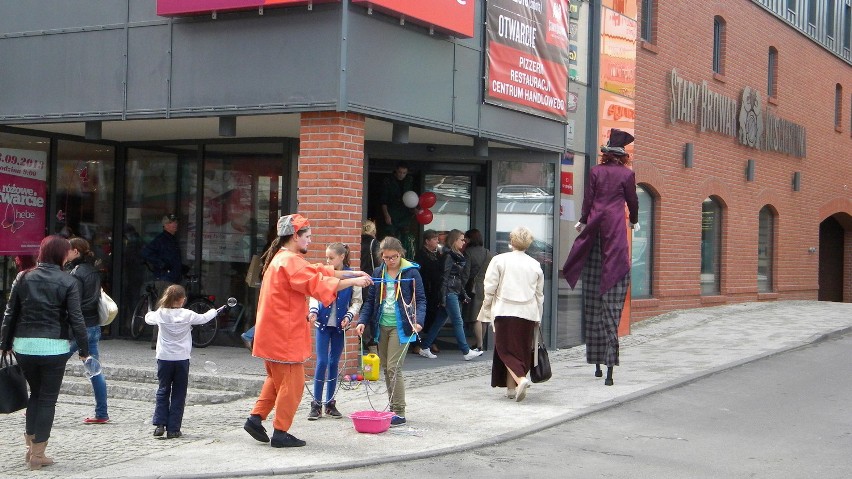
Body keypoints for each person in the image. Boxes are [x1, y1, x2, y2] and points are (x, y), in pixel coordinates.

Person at [242, 214, 372, 448]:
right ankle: (280, 432)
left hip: (272, 335)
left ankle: (255, 418)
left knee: (276, 380)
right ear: (295, 236)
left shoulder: (281, 258)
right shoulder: (290, 262)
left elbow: (319, 272)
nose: (311, 241)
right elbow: (320, 283)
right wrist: (354, 281)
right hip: (284, 337)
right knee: (292, 385)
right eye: (308, 236)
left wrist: (353, 274)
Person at [0, 235, 90, 470]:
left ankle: (30, 448)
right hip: (55, 347)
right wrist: (84, 349)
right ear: (61, 255)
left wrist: (4, 343)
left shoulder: (23, 276)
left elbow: (11, 313)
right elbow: (76, 318)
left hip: (24, 346)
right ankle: (38, 454)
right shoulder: (68, 281)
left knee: (35, 396)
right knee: (47, 399)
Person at [562, 129, 639, 386]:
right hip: (615, 228)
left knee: (594, 296)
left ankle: (596, 363)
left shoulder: (595, 172)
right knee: (612, 282)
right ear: (623, 156)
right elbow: (632, 202)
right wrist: (635, 222)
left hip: (595, 225)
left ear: (606, 154)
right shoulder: (627, 175)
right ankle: (608, 368)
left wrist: (584, 220)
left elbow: (588, 200)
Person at [355, 236, 426, 427]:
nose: (390, 261)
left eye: (393, 257)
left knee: (394, 367)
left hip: (401, 325)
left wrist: (418, 321)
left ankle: (399, 411)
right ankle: (393, 407)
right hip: (381, 325)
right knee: (386, 368)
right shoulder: (379, 271)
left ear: (400, 254)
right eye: (386, 258)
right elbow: (370, 301)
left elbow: (420, 298)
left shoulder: (411, 271)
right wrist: (362, 321)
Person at [145, 284, 221, 439]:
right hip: (181, 359)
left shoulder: (161, 313)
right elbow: (204, 318)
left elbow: (148, 319)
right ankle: (173, 429)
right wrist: (216, 311)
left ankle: (160, 424)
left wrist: (149, 312)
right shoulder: (188, 315)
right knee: (179, 393)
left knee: (163, 389)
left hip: (164, 357)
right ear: (182, 299)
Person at [477, 226, 544, 403]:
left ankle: (520, 380)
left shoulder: (500, 260)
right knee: (519, 349)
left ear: (511, 241)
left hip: (505, 311)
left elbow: (490, 287)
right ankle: (510, 389)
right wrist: (539, 315)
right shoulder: (534, 264)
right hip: (528, 312)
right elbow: (539, 294)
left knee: (505, 349)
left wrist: (486, 307)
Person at [307, 242, 363, 420]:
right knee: (322, 362)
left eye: (331, 258)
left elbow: (357, 301)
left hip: (339, 327)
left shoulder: (352, 276)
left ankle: (330, 402)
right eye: (326, 258)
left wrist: (349, 315)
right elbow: (314, 294)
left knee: (334, 363)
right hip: (322, 324)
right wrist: (313, 311)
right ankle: (316, 403)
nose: (328, 261)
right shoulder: (322, 273)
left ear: (341, 257)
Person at [419, 229, 483, 361]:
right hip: (449, 292)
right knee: (457, 321)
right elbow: (445, 278)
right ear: (455, 240)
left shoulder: (456, 255)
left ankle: (425, 346)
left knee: (439, 321)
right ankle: (466, 351)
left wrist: (463, 294)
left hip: (452, 291)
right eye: (461, 239)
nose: (464, 241)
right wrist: (443, 296)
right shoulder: (449, 256)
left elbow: (456, 278)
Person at [66, 237, 110, 424]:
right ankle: (102, 413)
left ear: (76, 251)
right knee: (95, 371)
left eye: (67, 250)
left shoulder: (76, 272)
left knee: (52, 366)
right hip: (93, 326)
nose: (64, 253)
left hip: (79, 328)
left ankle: (37, 406)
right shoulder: (93, 270)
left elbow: (73, 302)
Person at [141, 214, 184, 349]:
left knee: (170, 309)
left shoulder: (172, 239)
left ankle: (166, 340)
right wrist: (161, 265)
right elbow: (146, 252)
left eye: (175, 222)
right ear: (165, 225)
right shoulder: (161, 239)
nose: (174, 225)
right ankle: (156, 341)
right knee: (162, 309)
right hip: (164, 279)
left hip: (173, 278)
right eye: (171, 223)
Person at [411, 229, 443, 355]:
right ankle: (416, 344)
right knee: (420, 316)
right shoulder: (421, 255)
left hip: (434, 291)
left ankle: (431, 341)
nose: (437, 241)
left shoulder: (436, 254)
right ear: (427, 241)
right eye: (434, 239)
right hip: (424, 289)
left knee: (432, 317)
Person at [463, 229, 493, 351]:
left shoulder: (468, 252)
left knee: (475, 317)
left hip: (474, 287)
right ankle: (480, 343)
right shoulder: (488, 253)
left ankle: (479, 344)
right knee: (484, 318)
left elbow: (466, 272)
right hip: (487, 286)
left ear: (470, 239)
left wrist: (462, 288)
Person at [379, 162, 416, 253]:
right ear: (396, 170)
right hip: (392, 212)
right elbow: (384, 200)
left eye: (404, 173)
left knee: (405, 237)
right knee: (391, 236)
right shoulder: (388, 181)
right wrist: (386, 215)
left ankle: (403, 254)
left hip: (405, 213)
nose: (402, 175)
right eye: (400, 172)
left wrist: (414, 209)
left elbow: (412, 198)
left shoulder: (409, 181)